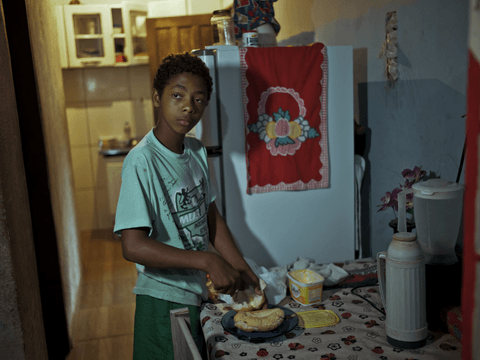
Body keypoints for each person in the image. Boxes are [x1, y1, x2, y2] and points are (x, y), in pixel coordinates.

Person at [114, 52, 264, 360]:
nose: (188, 107)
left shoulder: (195, 151)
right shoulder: (141, 162)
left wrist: (242, 268)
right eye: (178, 95)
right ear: (157, 97)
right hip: (162, 300)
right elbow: (132, 247)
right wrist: (208, 261)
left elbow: (210, 218)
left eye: (199, 100)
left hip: (195, 293)